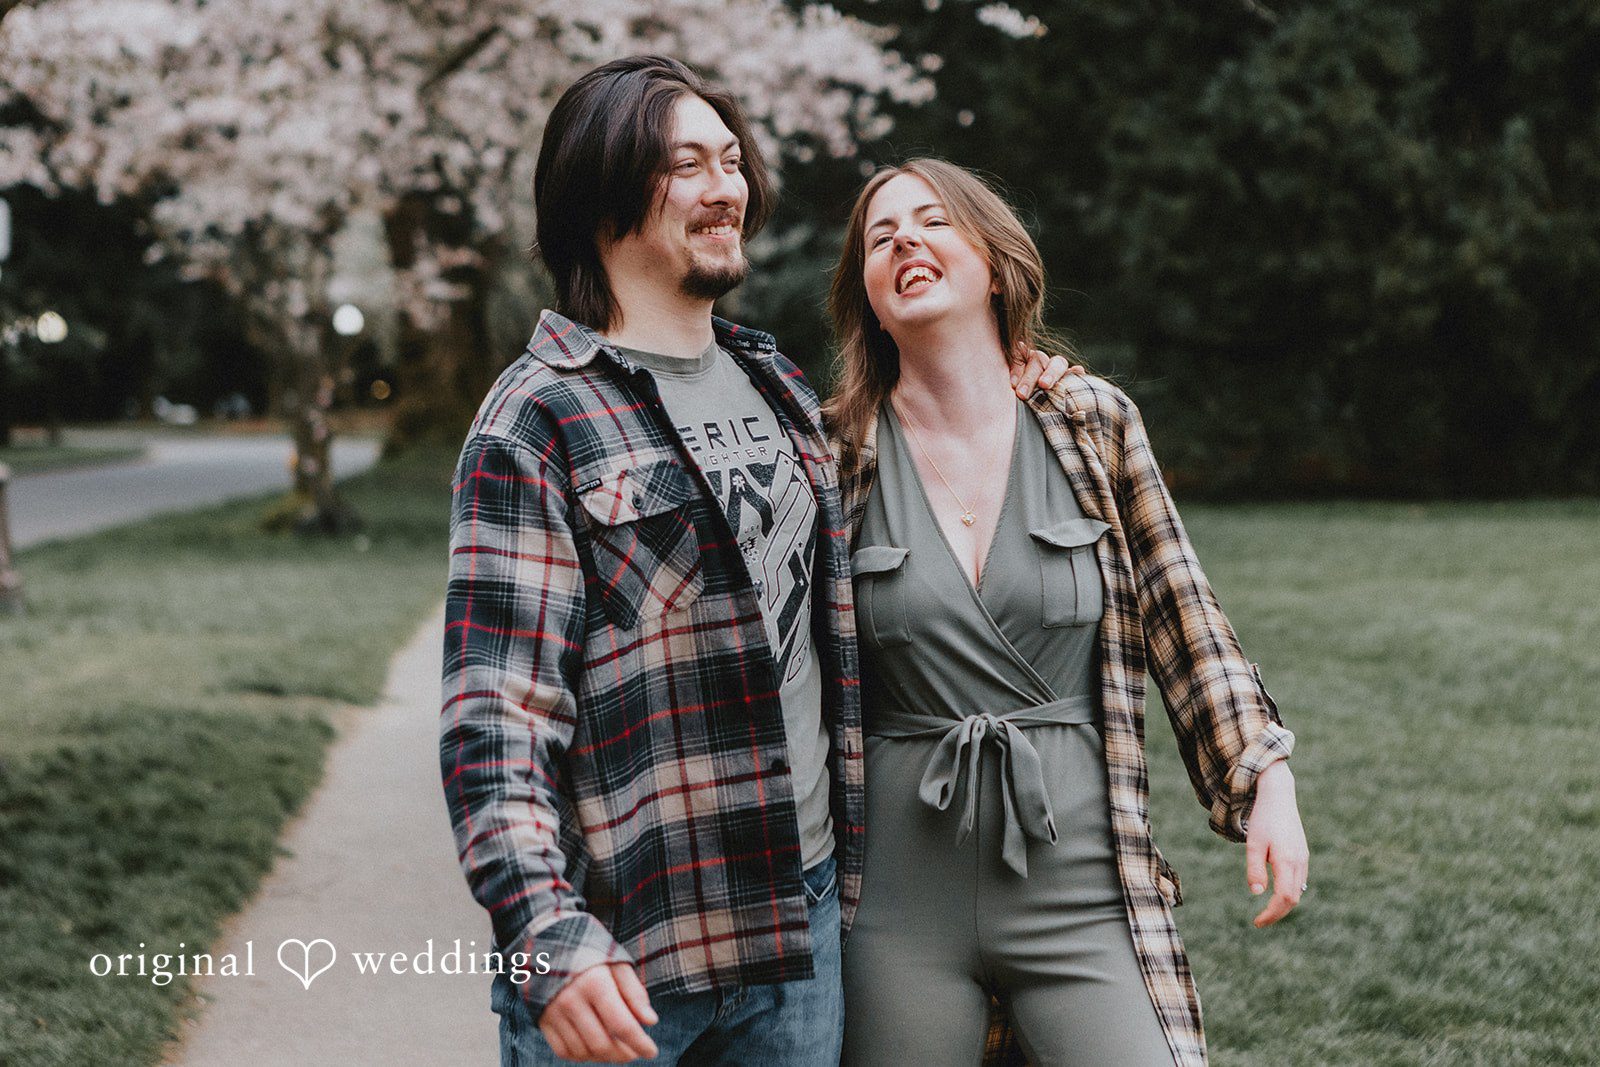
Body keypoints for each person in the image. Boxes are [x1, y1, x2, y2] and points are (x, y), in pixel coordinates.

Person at [439, 61, 1069, 1066]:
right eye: (686, 165)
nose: (727, 186)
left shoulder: (774, 382)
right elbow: (495, 712)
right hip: (627, 949)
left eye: (730, 161)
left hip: (800, 930)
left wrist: (1017, 371)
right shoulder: (537, 417)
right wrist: (543, 930)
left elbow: (924, 435)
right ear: (603, 191)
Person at [825, 158, 1310, 1067]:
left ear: (997, 265)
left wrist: (1266, 782)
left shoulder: (1091, 421)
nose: (904, 244)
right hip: (894, 909)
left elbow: (1183, 610)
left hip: (1083, 887)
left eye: (932, 222)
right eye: (879, 239)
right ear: (870, 302)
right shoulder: (832, 455)